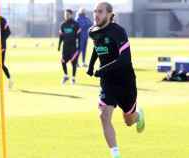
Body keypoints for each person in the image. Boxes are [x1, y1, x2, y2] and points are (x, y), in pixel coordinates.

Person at [86, 2, 145, 158]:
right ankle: (115, 154)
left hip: (125, 81)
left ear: (109, 14)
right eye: (94, 11)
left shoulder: (118, 32)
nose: (96, 15)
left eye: (100, 12)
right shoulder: (92, 31)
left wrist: (102, 69)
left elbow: (125, 59)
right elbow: (96, 45)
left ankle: (138, 115)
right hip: (108, 82)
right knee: (103, 115)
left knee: (129, 121)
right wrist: (91, 65)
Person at [58, 9, 81, 85]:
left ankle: (73, 78)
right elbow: (61, 37)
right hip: (65, 47)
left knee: (73, 62)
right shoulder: (63, 25)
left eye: (68, 14)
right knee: (63, 61)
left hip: (73, 47)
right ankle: (66, 76)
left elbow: (79, 37)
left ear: (71, 15)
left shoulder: (75, 24)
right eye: (65, 14)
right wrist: (59, 45)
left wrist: (79, 47)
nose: (66, 15)